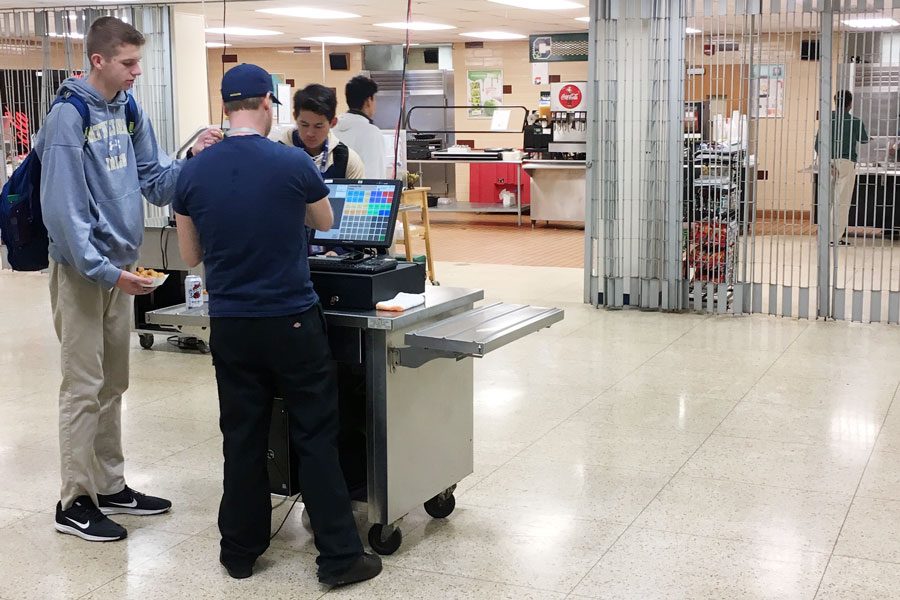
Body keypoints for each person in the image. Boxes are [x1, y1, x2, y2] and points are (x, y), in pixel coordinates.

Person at [172, 63, 382, 587]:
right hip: (291, 320)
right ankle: (339, 557)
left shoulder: (192, 172)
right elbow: (326, 222)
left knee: (242, 435)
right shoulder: (292, 163)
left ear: (225, 107)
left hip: (232, 324)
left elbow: (192, 253)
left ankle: (239, 551)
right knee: (314, 433)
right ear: (268, 103)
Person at [35, 16, 221, 543]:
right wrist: (105, 272)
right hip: (83, 271)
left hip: (120, 269)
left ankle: (110, 484)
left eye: (139, 62)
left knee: (114, 382)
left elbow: (156, 182)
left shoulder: (127, 108)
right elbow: (63, 213)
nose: (138, 72)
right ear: (99, 61)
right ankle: (74, 500)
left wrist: (193, 161)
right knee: (83, 386)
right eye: (129, 63)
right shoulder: (68, 119)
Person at [815, 90, 869, 246]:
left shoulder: (826, 120)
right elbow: (864, 140)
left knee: (827, 202)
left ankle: (823, 236)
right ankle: (833, 238)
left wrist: (827, 163)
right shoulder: (854, 121)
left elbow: (817, 145)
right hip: (845, 164)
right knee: (841, 203)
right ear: (850, 104)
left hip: (827, 164)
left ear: (835, 102)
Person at [280, 83, 365, 180]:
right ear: (295, 116)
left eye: (318, 126)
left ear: (333, 123)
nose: (310, 133)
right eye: (304, 125)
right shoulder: (277, 154)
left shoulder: (348, 161)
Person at [334, 75, 387, 179]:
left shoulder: (333, 128)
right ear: (368, 101)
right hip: (361, 193)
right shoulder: (372, 133)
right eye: (374, 99)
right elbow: (374, 177)